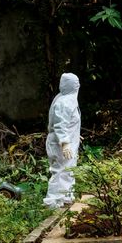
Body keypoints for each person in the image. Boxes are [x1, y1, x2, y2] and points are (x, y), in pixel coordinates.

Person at [43, 73, 81, 209]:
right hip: (60, 144)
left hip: (67, 142)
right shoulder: (64, 102)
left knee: (68, 170)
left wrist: (74, 135)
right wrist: (65, 143)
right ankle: (52, 202)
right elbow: (59, 125)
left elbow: (69, 123)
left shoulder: (66, 99)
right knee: (59, 171)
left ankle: (65, 197)